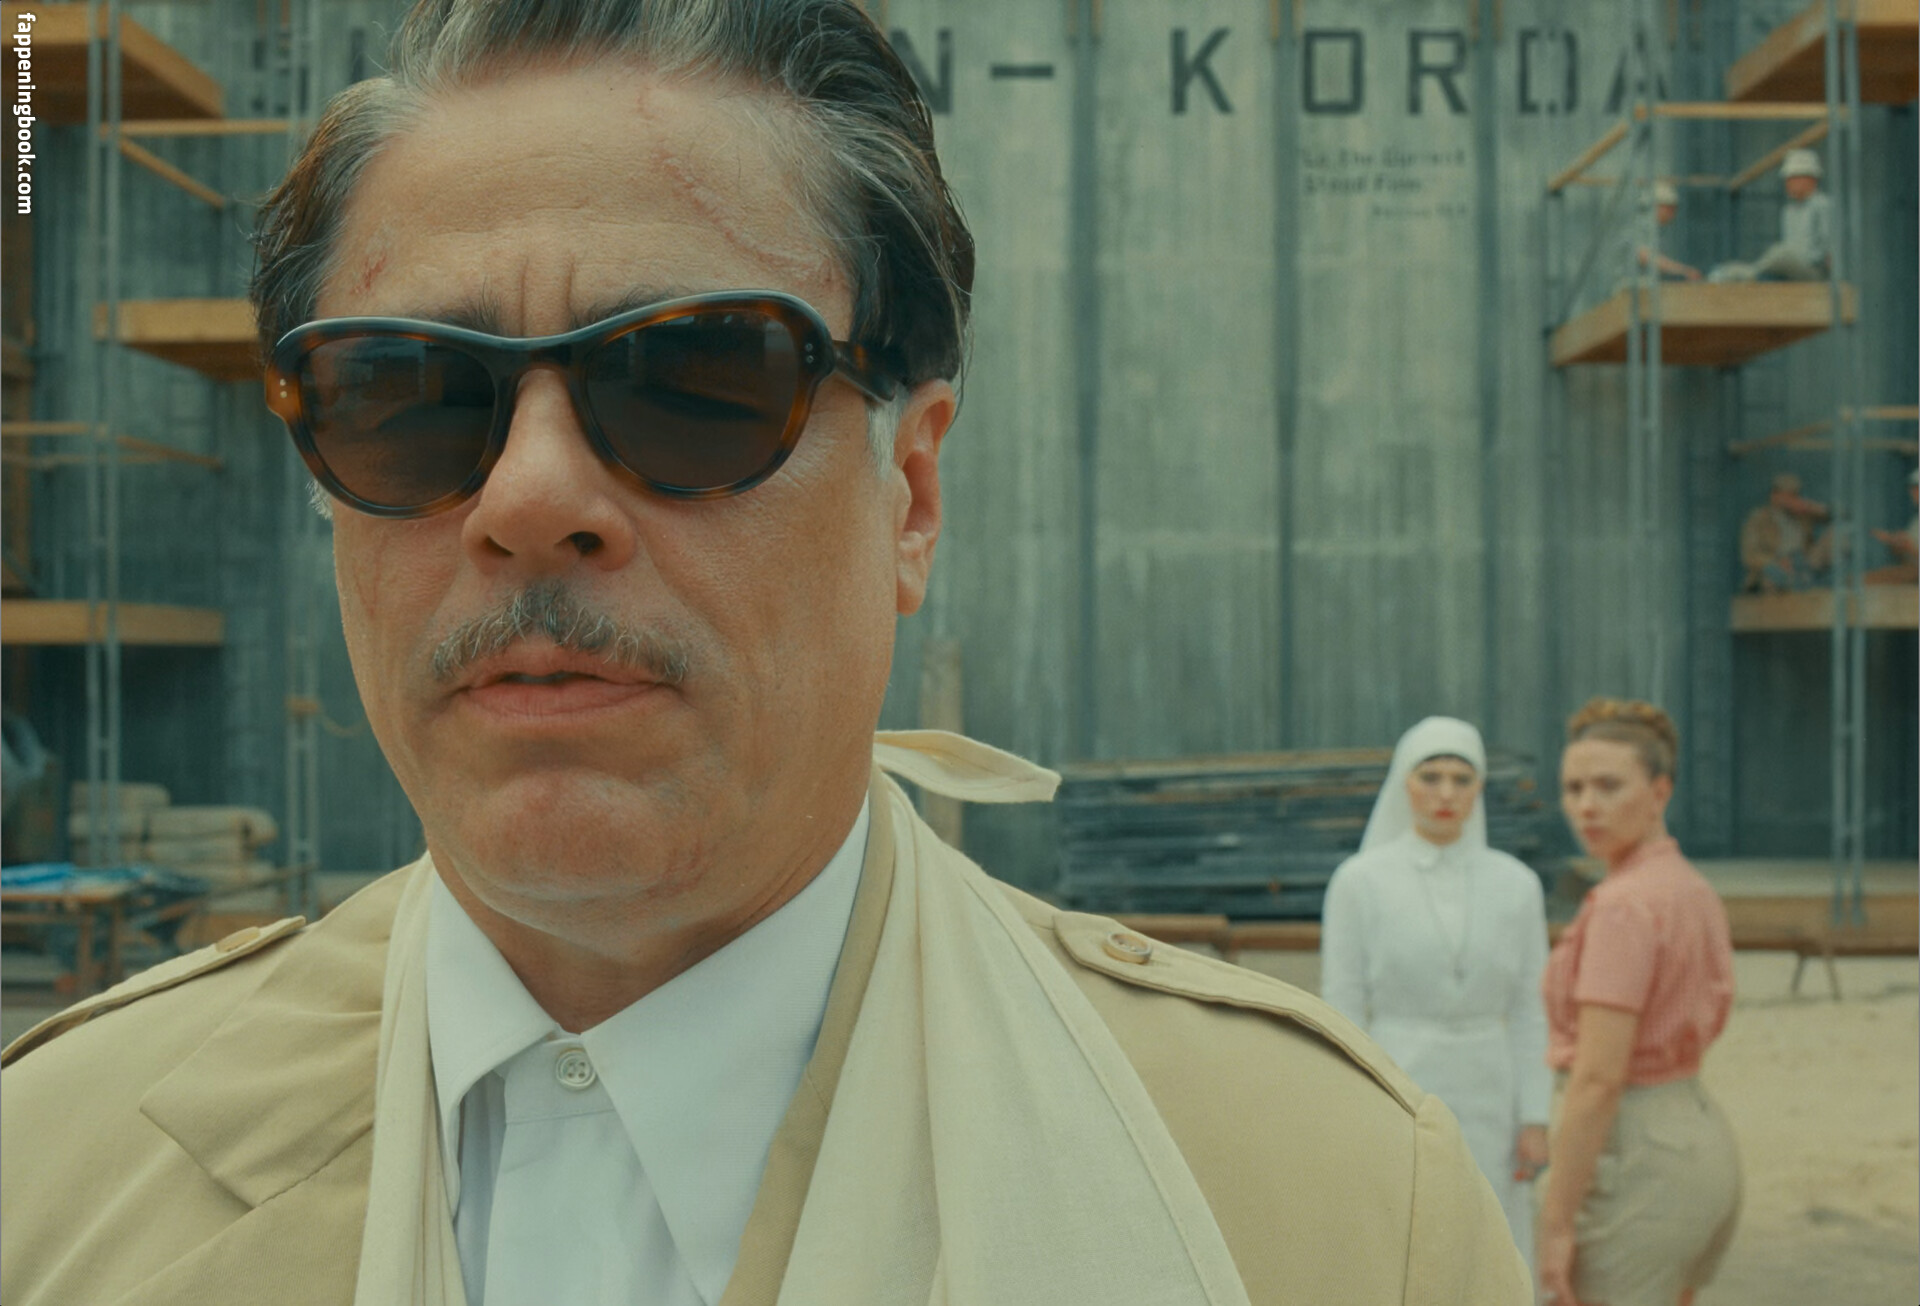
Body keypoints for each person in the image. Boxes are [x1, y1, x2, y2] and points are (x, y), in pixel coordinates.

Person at [0, 2, 1530, 1303]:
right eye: (408, 396)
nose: (529, 499)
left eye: (697, 376)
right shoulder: (53, 1186)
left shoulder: (1333, 1218)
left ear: (911, 495)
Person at [1321, 717, 1553, 1273]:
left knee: (1491, 1228)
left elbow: (1530, 1008)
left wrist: (1535, 1116)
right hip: (1400, 1073)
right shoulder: (1359, 881)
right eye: (1430, 777)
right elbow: (1342, 1003)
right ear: (1405, 783)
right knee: (1405, 1228)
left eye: (1461, 779)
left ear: (1479, 789)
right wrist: (1356, 1102)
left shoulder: (1517, 884)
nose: (1446, 793)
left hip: (1491, 1083)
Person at [1535, 699, 1740, 1306]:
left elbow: (1599, 1079)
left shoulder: (1623, 907)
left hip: (1635, 1153)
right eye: (1573, 789)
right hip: (1700, 1137)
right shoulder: (1688, 886)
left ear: (1659, 791)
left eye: (1608, 786)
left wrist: (1556, 1221)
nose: (1586, 806)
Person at [1708, 148, 1831, 283]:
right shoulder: (1789, 210)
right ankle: (1731, 272)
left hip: (1815, 271)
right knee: (1775, 262)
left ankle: (1742, 273)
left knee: (1780, 254)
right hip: (1792, 269)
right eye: (1787, 179)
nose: (1788, 184)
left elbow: (1828, 246)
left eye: (1793, 179)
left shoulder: (1822, 205)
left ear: (1810, 179)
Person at [1739, 471, 1834, 591]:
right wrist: (1776, 562)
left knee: (1835, 535)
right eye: (1787, 495)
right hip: (1777, 565)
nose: (1791, 499)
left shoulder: (1802, 515)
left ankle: (1811, 581)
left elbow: (1838, 516)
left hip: (1804, 563)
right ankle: (1797, 584)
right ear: (1775, 495)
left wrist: (1811, 508)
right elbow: (1750, 555)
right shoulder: (1758, 518)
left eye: (1795, 495)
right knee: (1774, 576)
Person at [1611, 181, 1702, 294]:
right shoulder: (1639, 226)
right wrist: (1683, 270)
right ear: (1657, 206)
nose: (1673, 213)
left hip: (1643, 290)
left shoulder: (1657, 230)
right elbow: (1645, 256)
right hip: (1629, 291)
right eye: (1670, 208)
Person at [1865, 467, 1919, 586]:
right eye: (1913, 488)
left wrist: (1908, 547)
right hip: (1910, 572)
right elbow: (1906, 557)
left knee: (1864, 582)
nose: (1913, 493)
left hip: (1914, 575)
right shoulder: (1916, 520)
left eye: (1917, 488)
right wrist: (1893, 542)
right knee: (1857, 581)